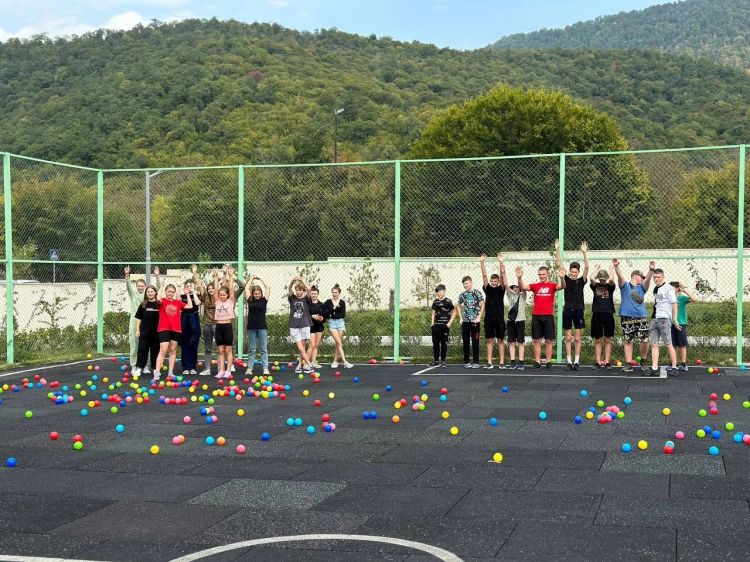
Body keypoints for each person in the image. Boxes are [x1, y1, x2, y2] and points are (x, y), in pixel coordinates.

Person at [516, 263, 564, 370]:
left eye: (543, 274)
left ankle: (548, 362)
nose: (542, 276)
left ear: (547, 274)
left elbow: (563, 286)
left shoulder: (552, 285)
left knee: (548, 340)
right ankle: (537, 362)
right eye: (540, 274)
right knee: (536, 340)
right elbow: (523, 287)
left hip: (548, 316)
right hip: (536, 316)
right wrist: (519, 278)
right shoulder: (535, 286)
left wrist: (562, 277)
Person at [613, 258, 655, 373]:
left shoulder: (642, 287)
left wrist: (651, 271)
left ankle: (644, 361)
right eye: (641, 277)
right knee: (628, 340)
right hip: (627, 316)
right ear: (636, 275)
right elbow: (620, 277)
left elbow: (647, 281)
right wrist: (616, 267)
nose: (643, 279)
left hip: (641, 317)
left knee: (644, 340)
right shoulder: (625, 286)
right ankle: (628, 363)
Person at [555, 239, 590, 371]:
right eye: (572, 272)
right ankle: (568, 361)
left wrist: (584, 253)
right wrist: (557, 249)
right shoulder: (566, 279)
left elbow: (587, 267)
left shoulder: (582, 281)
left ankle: (576, 361)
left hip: (579, 310)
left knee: (577, 337)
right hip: (568, 310)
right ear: (569, 271)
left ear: (578, 272)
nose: (573, 274)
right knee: (568, 337)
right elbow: (559, 265)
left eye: (575, 272)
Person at [124, 266, 160, 373]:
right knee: (134, 345)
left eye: (142, 286)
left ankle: (145, 366)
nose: (140, 287)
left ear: (145, 287)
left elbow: (157, 287)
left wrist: (157, 276)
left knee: (146, 344)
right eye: (138, 286)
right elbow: (128, 285)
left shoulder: (147, 297)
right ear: (136, 286)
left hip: (146, 322)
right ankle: (134, 365)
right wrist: (127, 275)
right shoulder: (133, 294)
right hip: (135, 320)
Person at [153, 283, 190, 382]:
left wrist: (186, 294)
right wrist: (161, 285)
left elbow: (190, 305)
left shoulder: (177, 302)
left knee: (173, 350)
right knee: (163, 350)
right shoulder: (162, 301)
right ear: (165, 291)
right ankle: (157, 372)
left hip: (175, 329)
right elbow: (158, 298)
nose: (170, 293)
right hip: (164, 328)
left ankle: (170, 372)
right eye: (169, 291)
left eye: (172, 292)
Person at [648, 267, 680, 376]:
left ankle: (675, 367)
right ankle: (654, 367)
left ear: (663, 277)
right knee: (654, 344)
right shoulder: (655, 289)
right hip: (654, 319)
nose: (656, 279)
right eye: (654, 277)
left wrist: (674, 319)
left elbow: (674, 303)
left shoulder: (668, 288)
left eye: (658, 277)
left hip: (664, 319)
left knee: (668, 344)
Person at [480, 253, 507, 369]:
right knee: (489, 340)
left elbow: (502, 277)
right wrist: (482, 262)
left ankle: (501, 362)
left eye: (495, 281)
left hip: (499, 318)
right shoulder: (487, 288)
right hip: (489, 319)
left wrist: (501, 262)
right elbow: (484, 276)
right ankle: (489, 362)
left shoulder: (502, 289)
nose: (494, 282)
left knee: (500, 340)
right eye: (492, 281)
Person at [589, 266, 616, 369]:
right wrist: (595, 269)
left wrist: (611, 269)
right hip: (597, 314)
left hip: (608, 314)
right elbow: (591, 279)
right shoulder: (595, 286)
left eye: (604, 278)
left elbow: (612, 280)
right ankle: (598, 362)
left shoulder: (610, 286)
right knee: (598, 339)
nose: (603, 280)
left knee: (608, 339)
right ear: (599, 278)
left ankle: (607, 361)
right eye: (601, 278)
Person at [192, 265, 216, 376]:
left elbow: (222, 286)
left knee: (221, 347)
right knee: (208, 348)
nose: (210, 289)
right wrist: (195, 272)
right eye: (209, 288)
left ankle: (222, 370)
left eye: (212, 288)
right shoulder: (205, 296)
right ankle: (207, 369)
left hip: (218, 324)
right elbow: (199, 284)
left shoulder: (219, 297)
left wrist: (217, 277)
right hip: (207, 324)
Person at [244, 276, 271, 376]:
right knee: (252, 349)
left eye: (258, 293)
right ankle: (249, 368)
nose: (257, 295)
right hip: (251, 327)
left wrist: (260, 279)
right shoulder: (250, 300)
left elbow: (268, 287)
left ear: (261, 293)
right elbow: (246, 288)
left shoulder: (264, 300)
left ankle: (265, 368)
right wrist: (251, 278)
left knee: (263, 348)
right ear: (252, 294)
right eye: (255, 294)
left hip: (262, 327)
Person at [212, 268, 236, 379]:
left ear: (227, 295)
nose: (222, 296)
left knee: (228, 350)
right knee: (220, 350)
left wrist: (230, 276)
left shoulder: (230, 301)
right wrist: (216, 276)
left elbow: (230, 288)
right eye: (220, 295)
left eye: (224, 295)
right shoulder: (216, 300)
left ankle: (228, 370)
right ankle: (221, 370)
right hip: (219, 327)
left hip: (227, 326)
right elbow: (216, 289)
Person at [132, 285, 160, 378]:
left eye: (152, 291)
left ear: (155, 292)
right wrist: (137, 329)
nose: (150, 293)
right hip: (144, 332)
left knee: (155, 351)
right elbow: (139, 318)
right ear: (146, 293)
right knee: (142, 350)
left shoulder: (159, 304)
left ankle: (156, 370)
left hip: (156, 333)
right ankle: (139, 368)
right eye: (148, 292)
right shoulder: (143, 304)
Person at [457, 275, 484, 368]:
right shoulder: (462, 295)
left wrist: (479, 317)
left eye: (466, 283)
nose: (465, 285)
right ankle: (467, 361)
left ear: (471, 283)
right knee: (466, 341)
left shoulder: (477, 293)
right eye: (464, 284)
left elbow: (482, 305)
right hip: (465, 322)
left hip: (475, 322)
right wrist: (460, 317)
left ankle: (476, 362)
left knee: (475, 341)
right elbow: (458, 305)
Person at [288, 275, 314, 374]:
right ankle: (309, 366)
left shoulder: (306, 299)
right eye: (297, 290)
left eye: (300, 290)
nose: (298, 292)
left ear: (302, 291)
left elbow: (309, 289)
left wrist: (302, 280)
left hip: (305, 324)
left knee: (303, 346)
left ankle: (299, 365)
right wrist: (293, 280)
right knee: (300, 347)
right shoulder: (292, 298)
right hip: (294, 326)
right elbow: (289, 288)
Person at [670, 281, 698, 371]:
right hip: (670, 323)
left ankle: (683, 363)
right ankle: (674, 363)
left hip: (681, 323)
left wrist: (685, 290)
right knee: (672, 345)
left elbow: (694, 299)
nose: (670, 289)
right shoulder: (668, 298)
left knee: (682, 345)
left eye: (672, 288)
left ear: (677, 289)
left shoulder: (681, 298)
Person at [324, 284, 353, 369]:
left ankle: (335, 361)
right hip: (332, 323)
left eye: (336, 292)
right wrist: (334, 309)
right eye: (333, 292)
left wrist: (332, 313)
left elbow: (342, 314)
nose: (334, 294)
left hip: (340, 323)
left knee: (338, 343)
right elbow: (326, 314)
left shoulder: (342, 302)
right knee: (339, 343)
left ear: (339, 293)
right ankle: (345, 362)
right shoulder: (328, 302)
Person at [179, 278, 202, 376]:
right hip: (184, 319)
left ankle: (193, 366)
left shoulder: (196, 295)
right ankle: (185, 367)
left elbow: (197, 303)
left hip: (194, 318)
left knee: (194, 343)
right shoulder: (182, 295)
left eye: (190, 285)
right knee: (185, 344)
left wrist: (193, 292)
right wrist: (185, 292)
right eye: (187, 285)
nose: (189, 287)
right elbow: (178, 303)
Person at [430, 284, 455, 367]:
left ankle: (443, 361)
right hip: (436, 326)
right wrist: (432, 323)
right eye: (437, 292)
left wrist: (449, 323)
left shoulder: (448, 301)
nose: (439, 293)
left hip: (444, 326)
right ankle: (436, 360)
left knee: (444, 343)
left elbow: (454, 312)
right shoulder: (435, 302)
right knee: (435, 343)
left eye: (440, 291)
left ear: (444, 291)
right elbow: (433, 313)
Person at [506, 283, 527, 370]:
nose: (515, 289)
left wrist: (520, 278)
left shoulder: (522, 296)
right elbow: (506, 285)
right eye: (514, 287)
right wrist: (503, 273)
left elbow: (523, 288)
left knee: (520, 342)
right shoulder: (510, 295)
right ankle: (512, 362)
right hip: (510, 321)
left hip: (520, 321)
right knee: (511, 342)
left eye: (517, 287)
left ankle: (521, 362)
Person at [308, 286, 326, 370]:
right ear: (310, 294)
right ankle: (307, 363)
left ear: (318, 294)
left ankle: (313, 362)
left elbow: (324, 317)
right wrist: (312, 316)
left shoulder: (321, 305)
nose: (313, 295)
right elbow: (305, 315)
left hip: (319, 326)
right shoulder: (307, 303)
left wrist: (322, 318)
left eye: (315, 294)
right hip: (310, 326)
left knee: (316, 345)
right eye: (312, 293)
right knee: (311, 345)